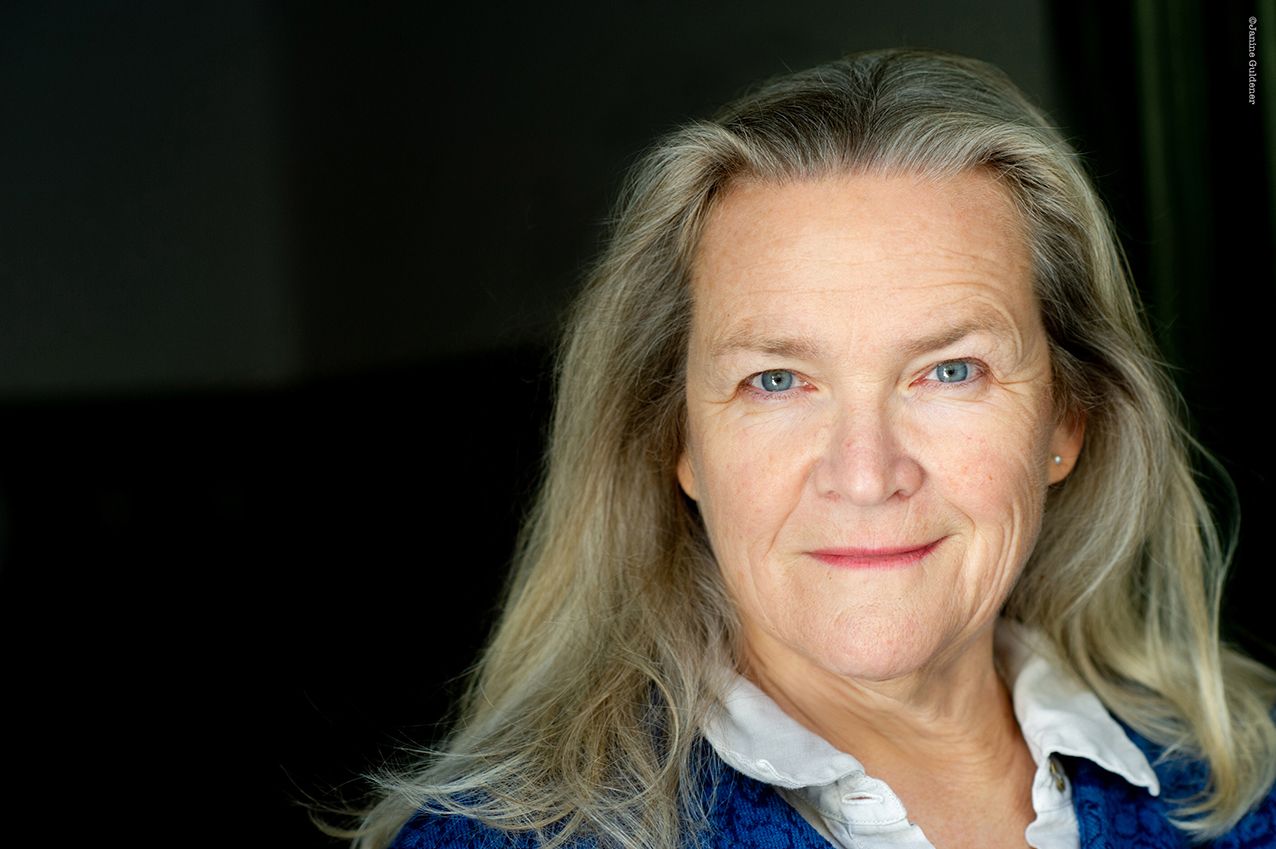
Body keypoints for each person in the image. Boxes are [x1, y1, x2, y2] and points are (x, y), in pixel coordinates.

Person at [347, 48, 1276, 848]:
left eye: (950, 371)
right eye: (777, 381)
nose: (866, 475)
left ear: (1065, 421)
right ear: (679, 439)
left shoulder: (1247, 787)